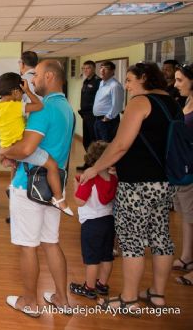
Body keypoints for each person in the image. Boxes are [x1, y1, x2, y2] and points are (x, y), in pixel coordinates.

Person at [80, 62, 180, 313]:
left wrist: (95, 168)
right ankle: (157, 294)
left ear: (144, 78)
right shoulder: (172, 103)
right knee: (161, 237)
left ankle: (129, 298)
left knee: (132, 240)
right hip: (165, 182)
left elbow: (120, 144)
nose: (126, 86)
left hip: (137, 185)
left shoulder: (140, 103)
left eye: (130, 80)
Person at [1, 60, 74, 317]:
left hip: (28, 186)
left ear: (50, 76)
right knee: (51, 242)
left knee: (28, 246)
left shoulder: (45, 109)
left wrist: (5, 152)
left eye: (38, 75)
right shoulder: (67, 108)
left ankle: (30, 303)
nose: (33, 80)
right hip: (53, 188)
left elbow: (26, 148)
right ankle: (62, 299)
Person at [0, 72, 72, 216]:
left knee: (17, 165)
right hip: (19, 146)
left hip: (8, 144)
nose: (22, 95)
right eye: (21, 92)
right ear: (15, 92)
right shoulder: (14, 106)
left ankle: (10, 180)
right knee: (52, 165)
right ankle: (58, 198)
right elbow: (39, 105)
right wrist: (29, 91)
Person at [69, 141, 117, 300]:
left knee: (92, 258)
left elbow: (79, 201)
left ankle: (89, 288)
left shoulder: (89, 179)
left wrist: (76, 186)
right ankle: (102, 284)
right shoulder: (113, 179)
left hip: (91, 224)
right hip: (109, 222)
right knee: (107, 255)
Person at [173, 62, 193, 286]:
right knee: (187, 218)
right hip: (182, 169)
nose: (176, 84)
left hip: (190, 168)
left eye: (180, 80)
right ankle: (187, 257)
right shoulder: (187, 101)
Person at [92, 61, 124, 142]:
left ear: (112, 71)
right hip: (98, 120)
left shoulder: (115, 86)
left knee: (107, 146)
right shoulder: (101, 83)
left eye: (106, 68)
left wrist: (107, 118)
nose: (102, 71)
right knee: (99, 145)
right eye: (101, 68)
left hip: (108, 122)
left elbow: (117, 105)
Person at [77, 60, 101, 169]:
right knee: (86, 141)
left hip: (93, 115)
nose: (86, 70)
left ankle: (95, 164)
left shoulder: (98, 82)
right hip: (85, 115)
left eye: (88, 68)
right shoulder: (85, 81)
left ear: (94, 69)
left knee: (93, 141)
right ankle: (89, 162)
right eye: (84, 68)